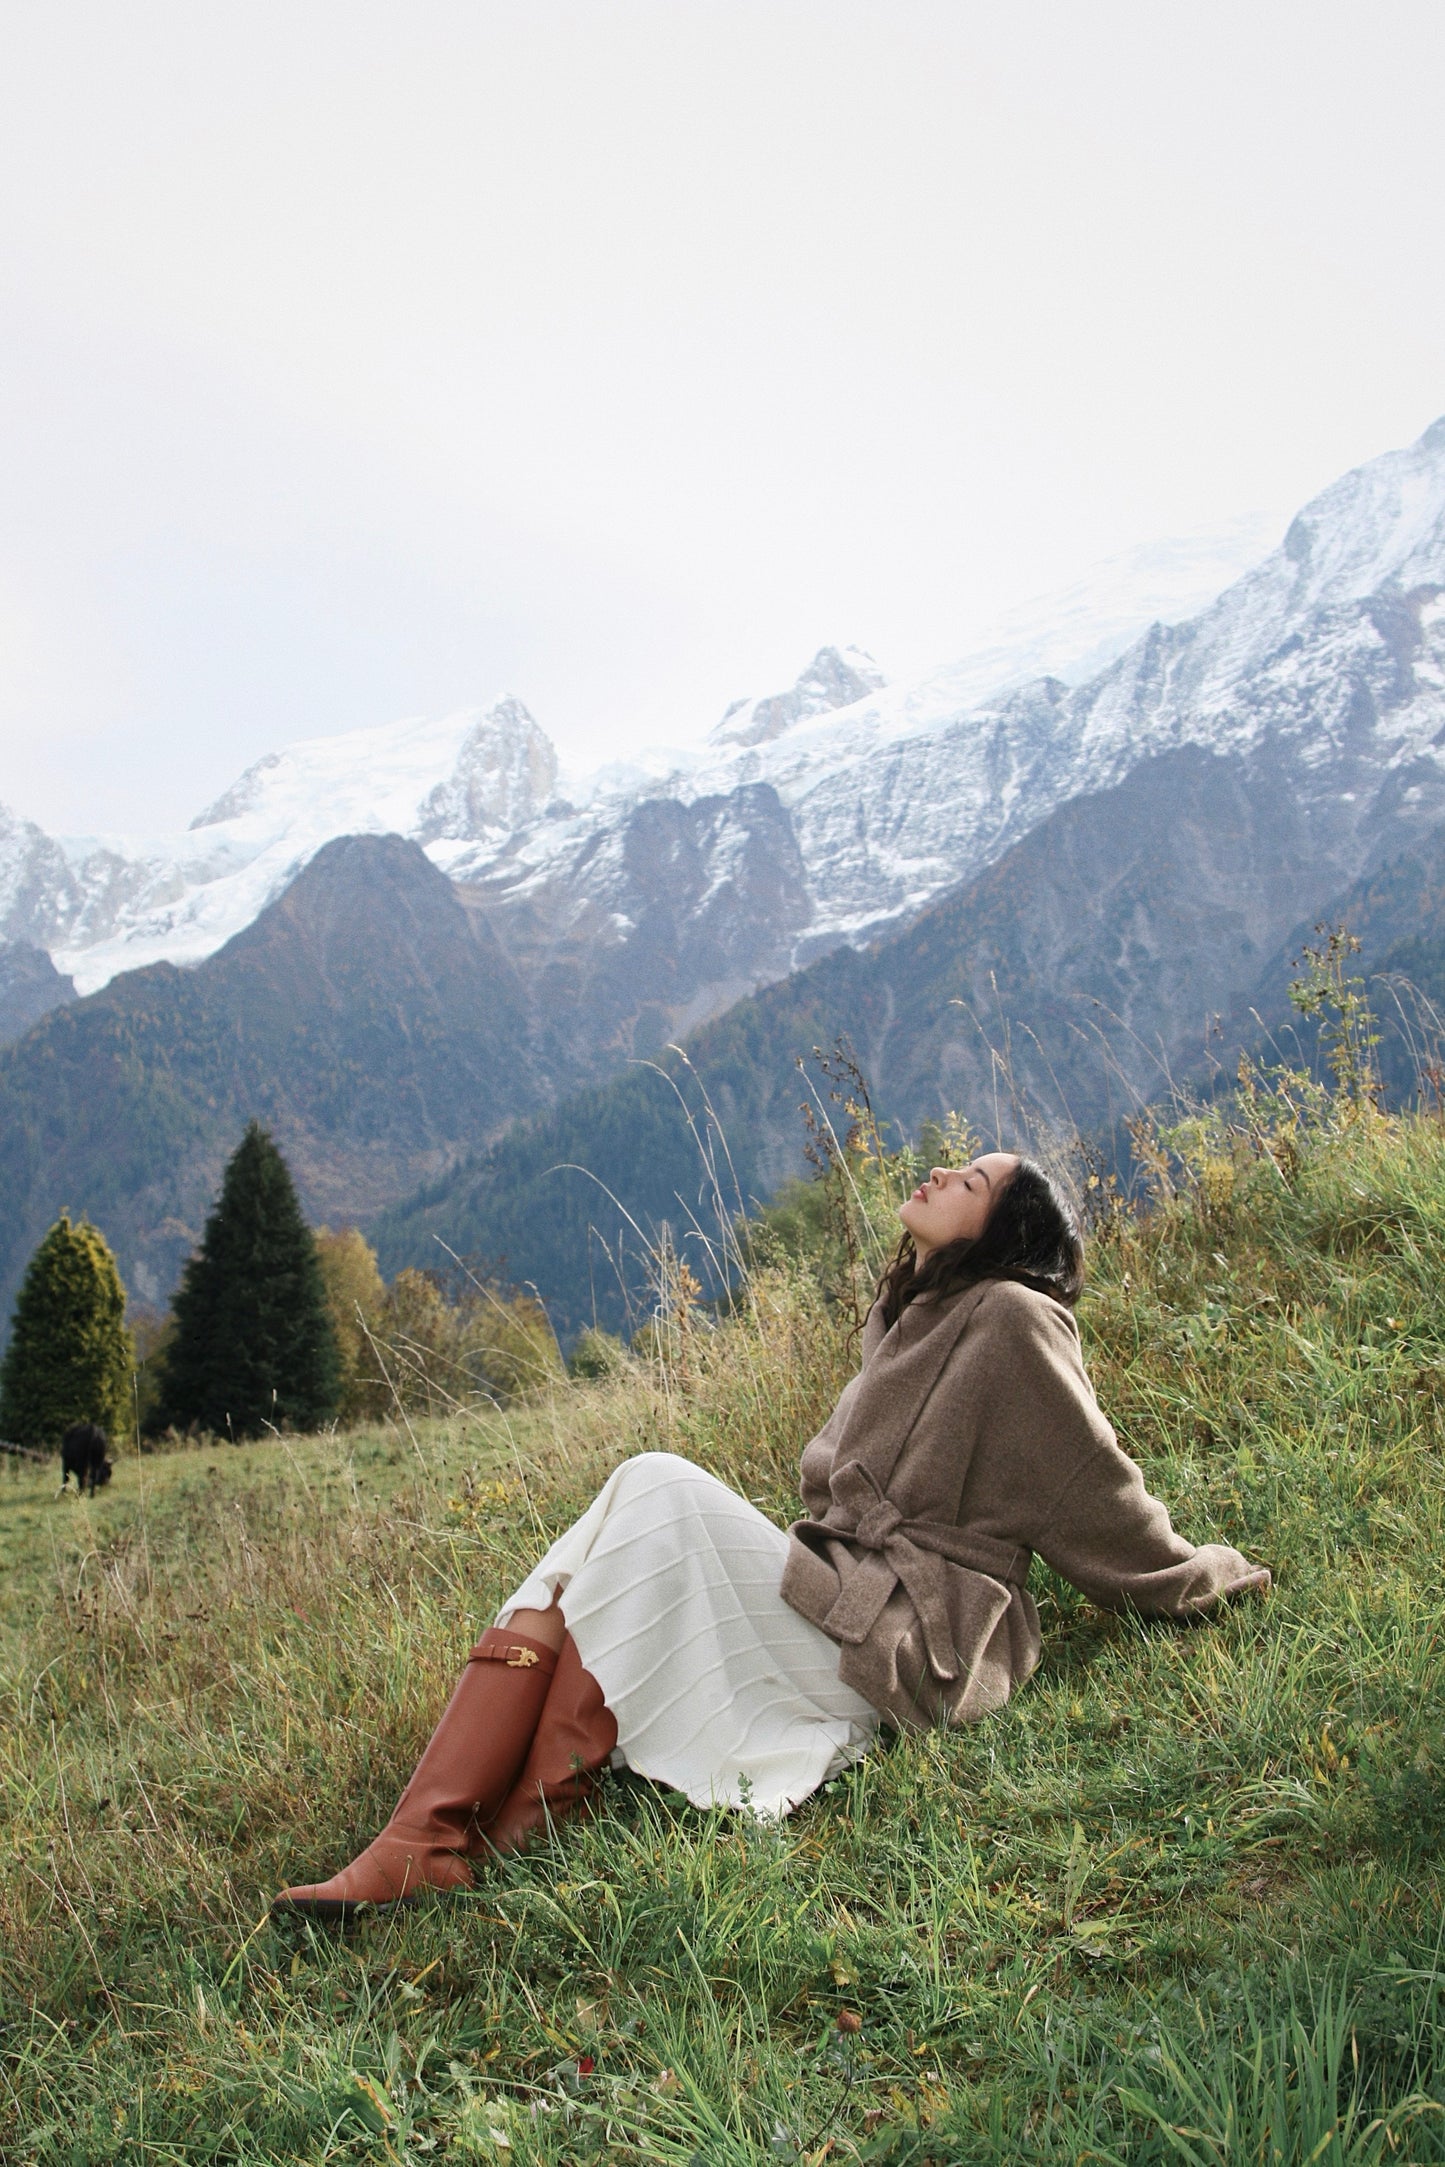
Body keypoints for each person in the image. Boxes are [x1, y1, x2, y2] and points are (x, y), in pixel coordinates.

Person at [272, 1153, 1269, 1918]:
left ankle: (459, 1832)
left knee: (652, 1484)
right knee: (613, 1538)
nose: (937, 1171)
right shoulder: (908, 1312)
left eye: (967, 1179)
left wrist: (1197, 1577)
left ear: (1000, 1229)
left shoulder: (1012, 1318)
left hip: (903, 1643)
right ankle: (457, 1833)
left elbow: (1091, 1482)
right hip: (842, 1597)